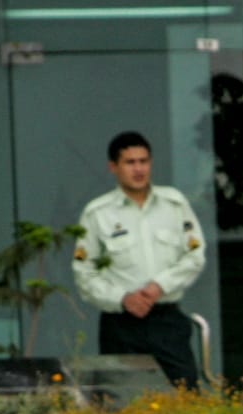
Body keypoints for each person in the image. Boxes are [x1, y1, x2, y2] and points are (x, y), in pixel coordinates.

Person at [73, 131, 207, 387]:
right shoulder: (98, 213)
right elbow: (84, 273)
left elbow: (195, 255)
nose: (139, 169)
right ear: (113, 167)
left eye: (143, 161)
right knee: (121, 397)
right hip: (121, 323)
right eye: (130, 162)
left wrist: (159, 286)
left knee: (185, 392)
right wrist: (123, 298)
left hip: (166, 318)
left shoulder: (174, 204)